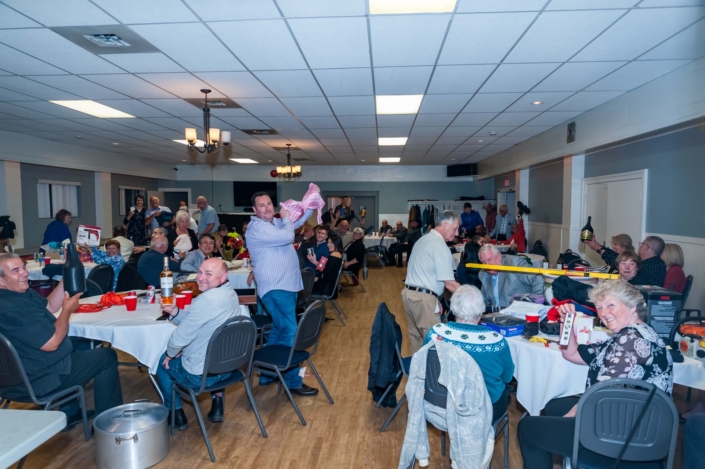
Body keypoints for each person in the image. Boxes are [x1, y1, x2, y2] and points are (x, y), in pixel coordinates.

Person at [518, 281, 673, 468]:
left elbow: (598, 395)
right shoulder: (636, 334)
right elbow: (572, 353)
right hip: (643, 429)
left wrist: (569, 417)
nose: (604, 312)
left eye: (611, 305)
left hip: (621, 441)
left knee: (528, 429)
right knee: (554, 405)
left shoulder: (630, 340)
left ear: (632, 306)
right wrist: (566, 321)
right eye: (599, 307)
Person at [0, 254, 123, 427]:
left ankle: (70, 413)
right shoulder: (12, 308)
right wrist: (67, 310)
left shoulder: (19, 295)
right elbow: (52, 343)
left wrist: (69, 274)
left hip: (15, 377)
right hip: (38, 380)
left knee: (77, 349)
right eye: (15, 270)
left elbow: (50, 305)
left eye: (23, 267)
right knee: (106, 356)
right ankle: (108, 425)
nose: (25, 273)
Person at [156, 258, 249, 429]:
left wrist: (171, 353)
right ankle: (218, 404)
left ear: (223, 277)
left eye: (208, 274)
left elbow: (179, 338)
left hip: (202, 375)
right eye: (199, 272)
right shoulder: (230, 293)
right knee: (182, 352)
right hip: (227, 367)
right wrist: (175, 311)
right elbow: (196, 322)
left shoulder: (206, 300)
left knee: (162, 363)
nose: (200, 278)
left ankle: (176, 415)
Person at [246, 191, 319, 396]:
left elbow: (295, 223)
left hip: (286, 287)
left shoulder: (273, 225)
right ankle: (292, 380)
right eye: (262, 205)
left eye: (269, 204)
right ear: (255, 210)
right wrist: (285, 218)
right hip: (277, 289)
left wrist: (311, 205)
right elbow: (288, 233)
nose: (267, 208)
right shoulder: (257, 228)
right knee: (290, 331)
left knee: (279, 329)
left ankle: (268, 374)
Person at [424, 285, 514, 421]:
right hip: (483, 410)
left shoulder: (435, 333)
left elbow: (423, 365)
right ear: (481, 311)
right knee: (505, 389)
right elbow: (507, 377)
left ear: (453, 308)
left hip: (442, 404)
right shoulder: (497, 342)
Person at [402, 211, 461, 353]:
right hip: (423, 300)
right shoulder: (440, 246)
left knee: (417, 342)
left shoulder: (424, 240)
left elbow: (422, 273)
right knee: (436, 346)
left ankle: (418, 374)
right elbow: (450, 284)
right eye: (455, 228)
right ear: (445, 224)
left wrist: (434, 298)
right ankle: (433, 375)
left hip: (409, 295)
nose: (457, 233)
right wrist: (472, 296)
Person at [478, 244, 543, 308]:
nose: (487, 264)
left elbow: (537, 278)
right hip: (497, 315)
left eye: (489, 260)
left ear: (499, 256)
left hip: (520, 313)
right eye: (483, 262)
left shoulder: (513, 263)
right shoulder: (483, 274)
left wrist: (534, 306)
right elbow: (484, 300)